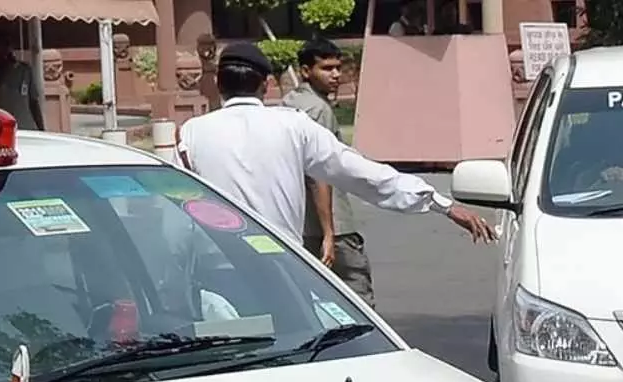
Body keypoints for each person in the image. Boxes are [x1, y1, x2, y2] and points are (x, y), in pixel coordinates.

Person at [177, 41, 495, 253]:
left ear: (218, 83)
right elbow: (361, 173)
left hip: (216, 267)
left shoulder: (192, 133)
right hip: (280, 265)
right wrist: (441, 204)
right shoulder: (293, 125)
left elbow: (173, 207)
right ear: (266, 84)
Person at [282, 38, 375, 304]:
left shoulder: (290, 103)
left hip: (298, 221)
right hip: (332, 223)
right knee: (356, 296)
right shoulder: (318, 109)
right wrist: (329, 232)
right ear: (306, 71)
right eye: (326, 68)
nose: (335, 75)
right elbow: (319, 172)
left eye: (337, 68)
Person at [0, 27, 44, 131]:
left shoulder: (24, 70)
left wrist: (41, 128)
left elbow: (33, 102)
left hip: (26, 126)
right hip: (3, 126)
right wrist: (5, 71)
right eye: (1, 44)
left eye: (8, 44)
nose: (5, 48)